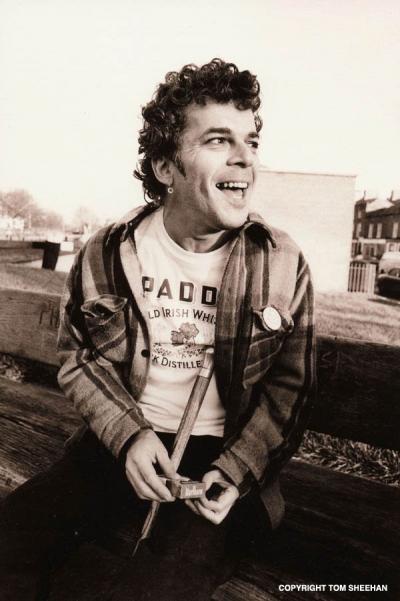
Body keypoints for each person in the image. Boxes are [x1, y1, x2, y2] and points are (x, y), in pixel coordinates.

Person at [0, 58, 315, 600]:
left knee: (157, 587)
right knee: (11, 541)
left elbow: (292, 388)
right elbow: (81, 356)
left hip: (218, 465)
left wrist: (236, 471)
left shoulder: (281, 262)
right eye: (218, 140)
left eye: (251, 141)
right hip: (120, 443)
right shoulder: (108, 250)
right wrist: (128, 436)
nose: (245, 157)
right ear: (166, 166)